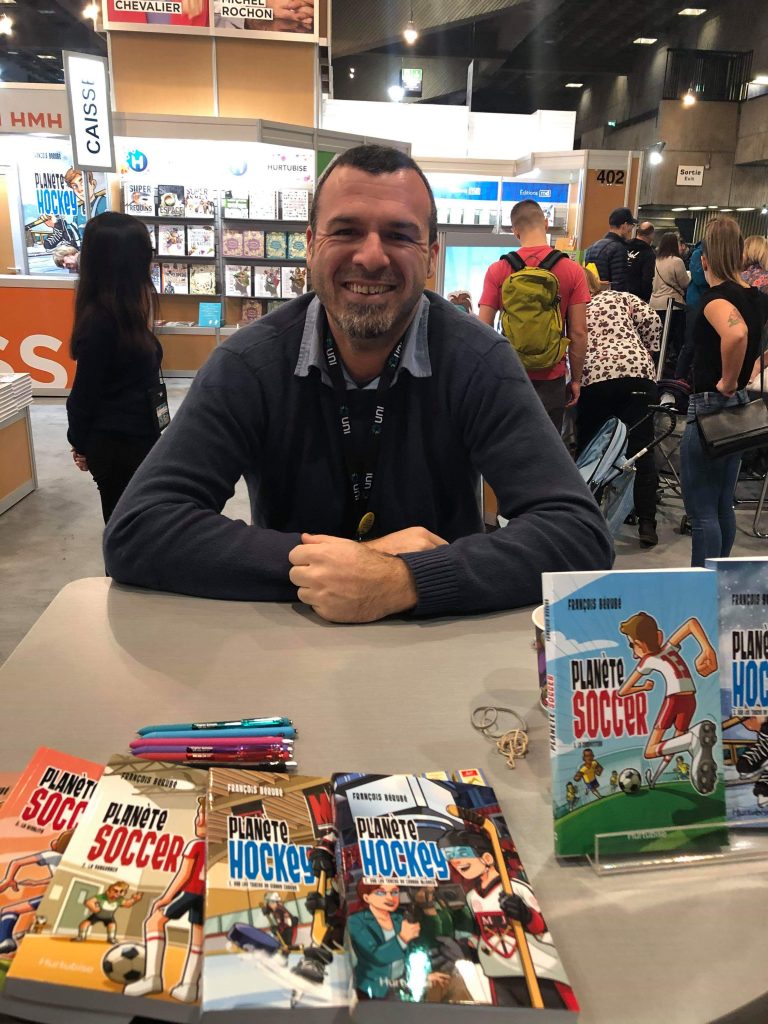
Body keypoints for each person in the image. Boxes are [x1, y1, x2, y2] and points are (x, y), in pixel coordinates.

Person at [104, 146, 612, 623]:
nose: (371, 257)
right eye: (345, 230)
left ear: (431, 255)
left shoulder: (478, 362)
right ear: (309, 245)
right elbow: (138, 529)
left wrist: (405, 580)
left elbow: (578, 534)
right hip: (289, 645)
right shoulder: (249, 364)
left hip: (436, 646)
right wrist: (347, 566)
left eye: (398, 234)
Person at [680, 217, 768, 566]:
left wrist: (728, 380)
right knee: (721, 505)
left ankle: (700, 591)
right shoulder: (753, 297)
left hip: (711, 406)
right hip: (739, 408)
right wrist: (751, 370)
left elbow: (736, 335)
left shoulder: (715, 299)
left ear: (704, 259)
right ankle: (720, 583)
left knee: (701, 510)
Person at [66, 212, 164, 524]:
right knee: (126, 533)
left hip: (137, 439)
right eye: (144, 253)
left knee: (142, 528)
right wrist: (80, 443)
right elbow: (84, 394)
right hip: (117, 445)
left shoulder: (126, 311)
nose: (149, 261)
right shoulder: (101, 321)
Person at [478, 199, 589, 431]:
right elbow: (578, 333)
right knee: (545, 453)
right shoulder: (572, 270)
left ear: (514, 230)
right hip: (553, 377)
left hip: (510, 375)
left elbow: (483, 328)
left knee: (508, 446)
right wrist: (576, 380)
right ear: (546, 224)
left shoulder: (498, 270)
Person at [577, 268, 661, 547]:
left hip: (596, 378)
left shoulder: (576, 307)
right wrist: (648, 349)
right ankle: (647, 523)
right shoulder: (621, 297)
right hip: (637, 372)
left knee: (593, 449)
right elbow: (651, 318)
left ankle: (588, 520)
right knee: (642, 447)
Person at [617, 611, 718, 792]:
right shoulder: (669, 648)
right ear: (659, 636)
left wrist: (643, 688)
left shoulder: (646, 660)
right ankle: (661, 774)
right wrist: (706, 648)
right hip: (690, 700)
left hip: (674, 699)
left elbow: (623, 691)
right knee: (674, 744)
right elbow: (691, 623)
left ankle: (692, 741)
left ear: (639, 645)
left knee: (650, 751)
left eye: (633, 646)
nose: (633, 654)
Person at [650, 232, 690, 372]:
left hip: (655, 303)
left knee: (658, 339)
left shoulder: (656, 260)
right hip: (672, 305)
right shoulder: (676, 261)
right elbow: (684, 282)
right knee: (675, 339)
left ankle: (656, 366)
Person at [674, 239, 708, 382]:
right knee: (690, 343)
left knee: (706, 345)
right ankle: (679, 378)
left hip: (711, 302)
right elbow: (699, 278)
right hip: (696, 304)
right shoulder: (697, 253)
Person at [583, 207, 636, 292]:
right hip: (609, 301)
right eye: (631, 226)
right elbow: (619, 286)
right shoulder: (619, 249)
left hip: (592, 299)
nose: (630, 230)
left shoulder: (591, 247)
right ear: (625, 226)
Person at [625, 221, 656, 302]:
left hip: (620, 292)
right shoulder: (648, 253)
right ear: (651, 235)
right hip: (637, 297)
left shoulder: (624, 246)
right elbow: (647, 278)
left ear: (637, 232)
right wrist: (646, 297)